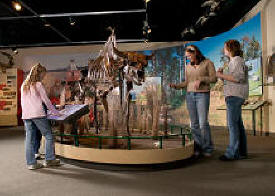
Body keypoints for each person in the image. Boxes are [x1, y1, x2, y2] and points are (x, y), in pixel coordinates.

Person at [170, 45, 217, 157]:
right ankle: (198, 147)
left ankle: (208, 148)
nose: (188, 58)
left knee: (203, 123)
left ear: (195, 52)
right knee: (194, 124)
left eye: (189, 56)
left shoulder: (207, 63)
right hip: (190, 95)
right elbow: (187, 82)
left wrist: (201, 79)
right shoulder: (187, 67)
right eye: (186, 57)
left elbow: (214, 78)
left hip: (202, 95)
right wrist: (176, 86)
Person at [21, 63, 61, 170]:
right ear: (39, 73)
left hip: (26, 115)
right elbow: (46, 101)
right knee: (48, 135)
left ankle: (31, 163)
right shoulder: (38, 84)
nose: (44, 76)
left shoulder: (24, 84)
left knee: (29, 139)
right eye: (43, 74)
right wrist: (56, 112)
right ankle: (49, 159)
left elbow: (23, 102)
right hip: (37, 114)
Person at [216, 40, 248, 161]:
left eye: (225, 47)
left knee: (232, 126)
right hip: (233, 95)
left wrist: (221, 75)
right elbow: (229, 80)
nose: (223, 49)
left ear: (230, 48)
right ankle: (242, 152)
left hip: (235, 96)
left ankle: (231, 153)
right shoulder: (233, 62)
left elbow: (239, 78)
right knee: (238, 125)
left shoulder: (238, 61)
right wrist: (221, 75)